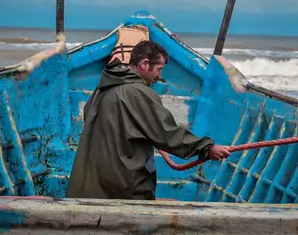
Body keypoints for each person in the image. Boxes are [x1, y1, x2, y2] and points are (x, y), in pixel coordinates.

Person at [66, 40, 230, 200]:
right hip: (124, 190)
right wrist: (206, 148)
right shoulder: (140, 93)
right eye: (159, 69)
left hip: (88, 188)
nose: (159, 76)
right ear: (144, 64)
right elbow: (167, 134)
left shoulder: (101, 89)